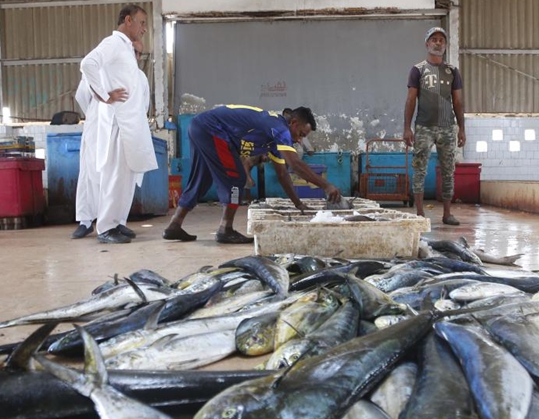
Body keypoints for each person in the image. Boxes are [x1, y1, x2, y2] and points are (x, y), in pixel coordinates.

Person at [162, 105, 341, 244]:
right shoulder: (279, 128)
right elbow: (295, 164)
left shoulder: (276, 140)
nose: (299, 139)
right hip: (211, 129)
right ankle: (226, 229)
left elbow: (283, 174)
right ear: (293, 123)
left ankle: (175, 224)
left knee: (202, 178)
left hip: (200, 126)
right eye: (301, 134)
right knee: (236, 177)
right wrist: (326, 185)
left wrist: (299, 204)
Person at [74, 4, 157, 244]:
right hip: (118, 122)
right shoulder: (113, 43)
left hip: (130, 124)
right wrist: (104, 96)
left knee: (125, 176)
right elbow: (88, 64)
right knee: (113, 175)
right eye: (141, 23)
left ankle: (117, 223)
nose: (144, 29)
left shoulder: (125, 50)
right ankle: (106, 228)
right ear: (128, 20)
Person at [403, 26, 466, 225]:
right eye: (434, 39)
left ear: (446, 45)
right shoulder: (418, 69)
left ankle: (447, 214)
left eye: (441, 40)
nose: (438, 42)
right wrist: (407, 127)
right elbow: (411, 99)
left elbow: (457, 101)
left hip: (448, 127)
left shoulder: (452, 71)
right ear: (427, 44)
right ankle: (420, 213)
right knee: (420, 168)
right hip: (424, 126)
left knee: (448, 170)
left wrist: (461, 128)